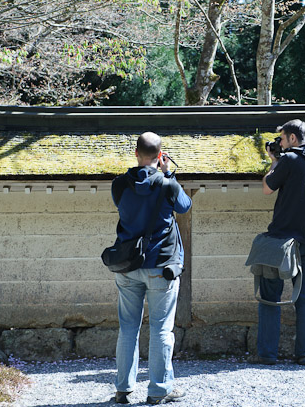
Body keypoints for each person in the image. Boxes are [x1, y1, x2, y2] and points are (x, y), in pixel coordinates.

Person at [110, 131, 191, 405]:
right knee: (160, 329)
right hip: (161, 266)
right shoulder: (168, 185)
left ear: (135, 153)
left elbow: (124, 207)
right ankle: (158, 390)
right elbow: (184, 206)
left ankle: (123, 389)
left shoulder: (119, 185)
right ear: (160, 156)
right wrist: (169, 174)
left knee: (128, 328)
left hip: (129, 266)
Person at [258, 119, 305, 365]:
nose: (279, 142)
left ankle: (268, 354)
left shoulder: (288, 160)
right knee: (304, 297)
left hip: (282, 239)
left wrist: (274, 161)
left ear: (292, 138)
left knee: (270, 295)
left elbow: (268, 188)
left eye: (281, 138)